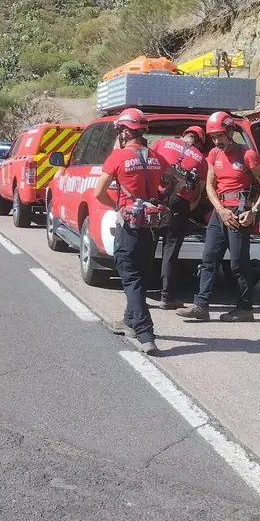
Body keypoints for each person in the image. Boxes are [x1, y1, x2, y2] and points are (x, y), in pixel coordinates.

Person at [177, 112, 260, 323]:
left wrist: (254, 212)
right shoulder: (213, 154)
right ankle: (200, 305)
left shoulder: (247, 155)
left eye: (219, 136)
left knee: (238, 264)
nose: (216, 141)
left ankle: (245, 308)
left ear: (230, 132)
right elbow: (210, 187)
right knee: (209, 259)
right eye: (213, 137)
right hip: (220, 213)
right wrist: (220, 210)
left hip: (240, 215)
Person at [93, 108, 167, 356]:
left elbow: (98, 192)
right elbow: (176, 179)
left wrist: (118, 206)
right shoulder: (155, 157)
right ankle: (128, 320)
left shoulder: (118, 157)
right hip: (150, 227)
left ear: (125, 131)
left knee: (130, 276)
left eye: (120, 131)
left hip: (130, 226)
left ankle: (146, 334)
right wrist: (161, 198)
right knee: (140, 276)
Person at [149, 126, 209, 310]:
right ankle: (167, 297)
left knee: (146, 248)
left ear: (184, 135)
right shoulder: (202, 160)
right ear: (199, 142)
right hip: (179, 204)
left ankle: (138, 293)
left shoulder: (162, 143)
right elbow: (197, 194)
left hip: (155, 200)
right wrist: (185, 211)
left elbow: (147, 167)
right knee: (171, 252)